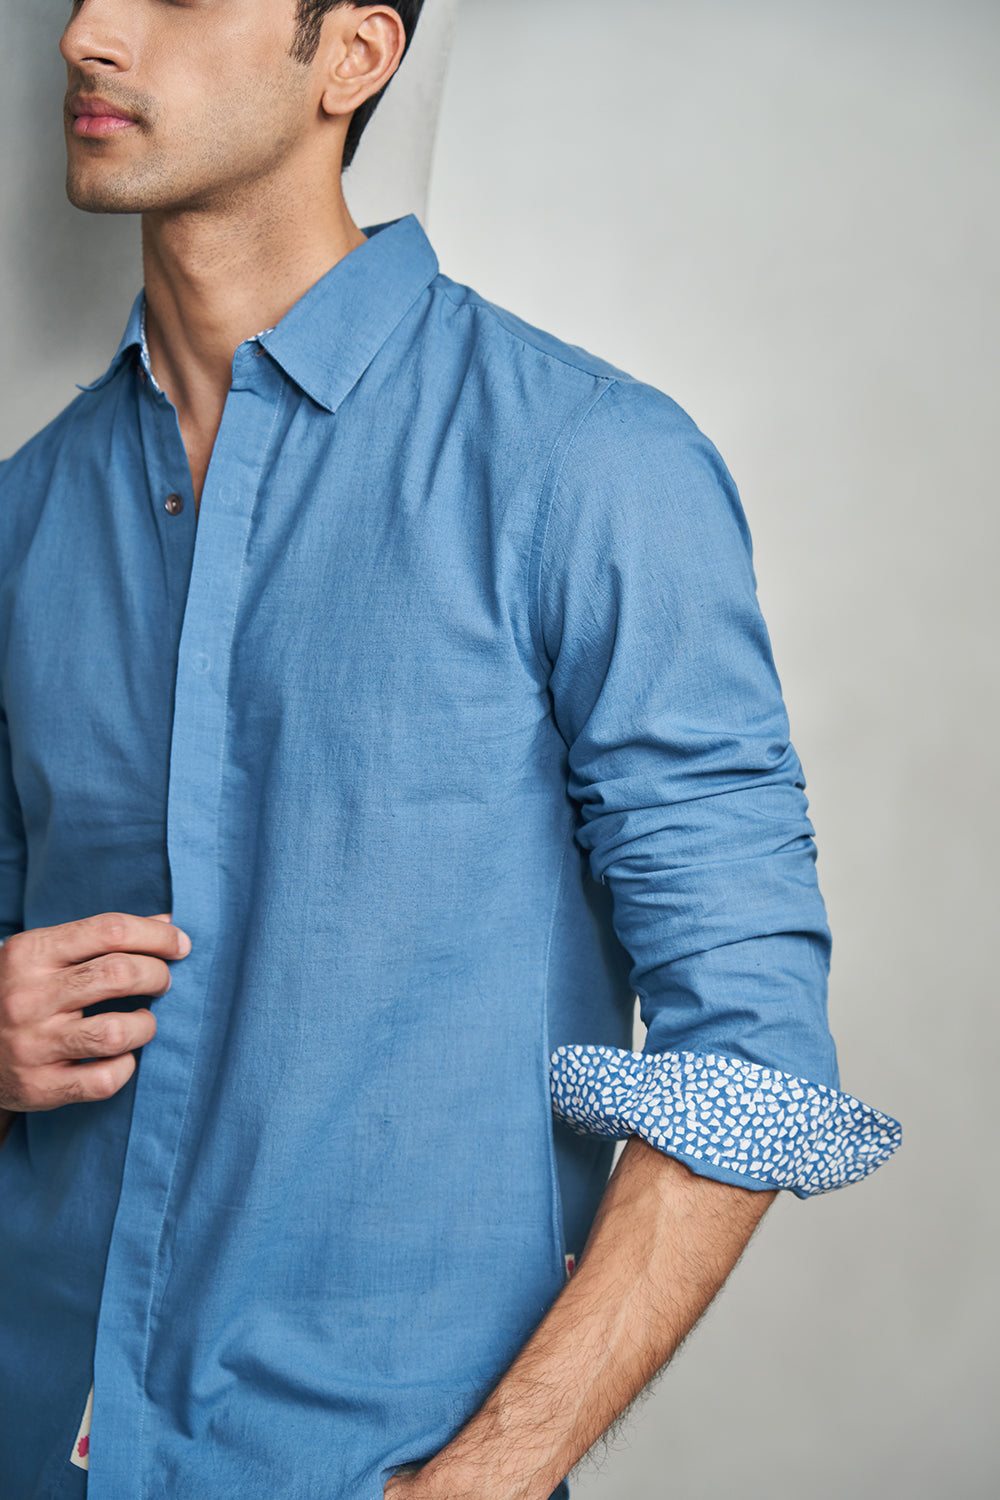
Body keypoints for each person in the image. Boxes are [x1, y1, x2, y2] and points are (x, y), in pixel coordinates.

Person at [0, 3, 901, 1497]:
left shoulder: (588, 466)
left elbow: (748, 1054)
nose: (88, 32)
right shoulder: (22, 520)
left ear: (352, 56)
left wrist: (485, 1480)